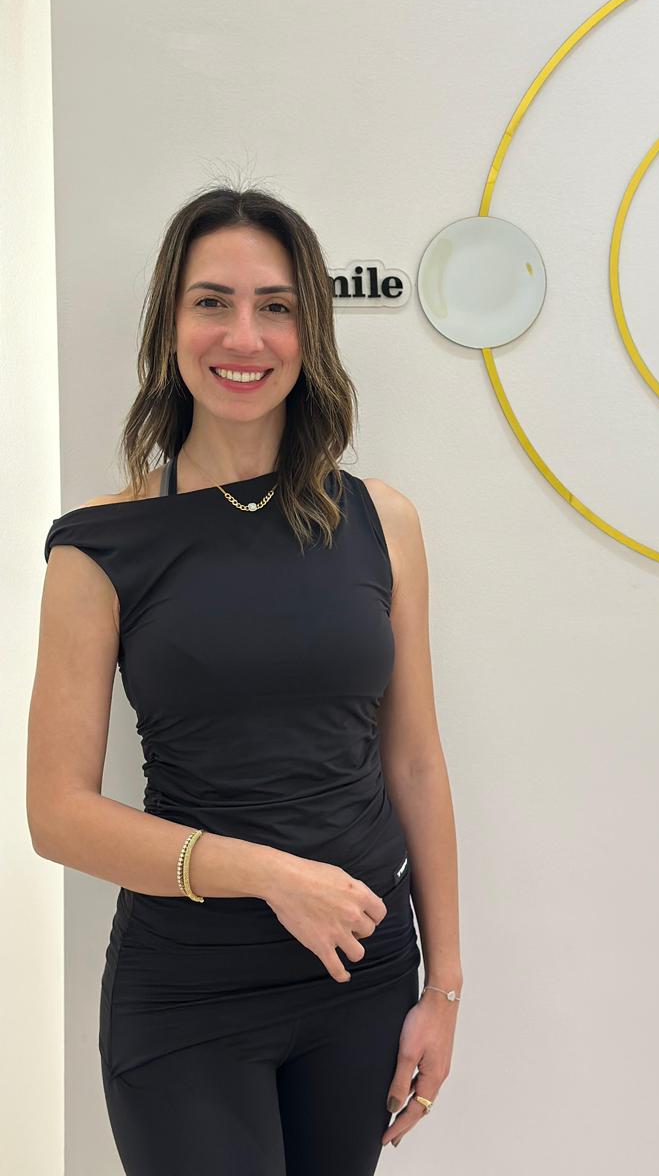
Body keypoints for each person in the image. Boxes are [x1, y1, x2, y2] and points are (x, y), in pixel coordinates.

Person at [27, 185, 462, 1175]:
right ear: (169, 324)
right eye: (211, 302)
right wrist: (270, 874)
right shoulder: (98, 547)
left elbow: (414, 762)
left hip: (361, 977)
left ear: (311, 331)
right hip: (189, 992)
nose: (244, 336)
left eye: (276, 306)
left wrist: (444, 988)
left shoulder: (382, 520)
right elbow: (57, 813)